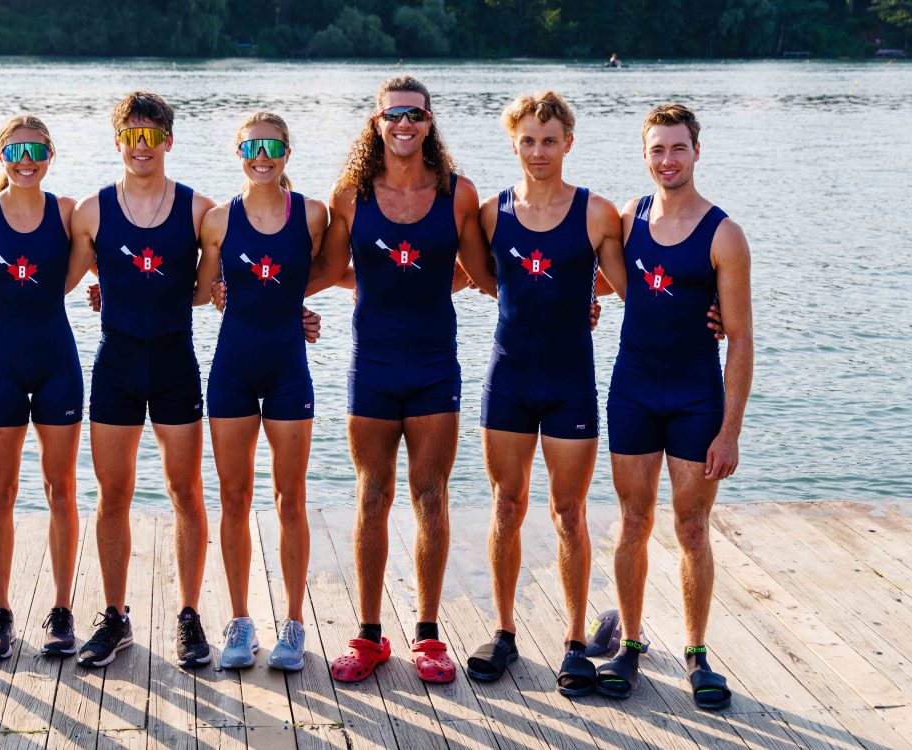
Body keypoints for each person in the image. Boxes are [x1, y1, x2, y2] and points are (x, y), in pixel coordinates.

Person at [305, 76, 494, 685]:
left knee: (430, 496)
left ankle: (429, 634)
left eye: (414, 114)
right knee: (371, 496)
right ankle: (367, 636)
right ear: (377, 122)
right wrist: (252, 294)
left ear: (430, 121)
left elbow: (486, 275)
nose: (403, 124)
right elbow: (330, 269)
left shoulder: (458, 194)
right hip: (374, 368)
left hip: (436, 365)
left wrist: (576, 300)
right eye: (393, 115)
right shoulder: (351, 195)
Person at [595, 103, 753, 711]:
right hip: (632, 388)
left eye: (678, 148)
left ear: (696, 152)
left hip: (694, 396)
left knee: (691, 527)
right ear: (644, 154)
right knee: (633, 521)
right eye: (657, 149)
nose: (667, 159)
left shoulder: (723, 234)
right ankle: (630, 643)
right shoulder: (627, 218)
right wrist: (587, 300)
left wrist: (730, 431)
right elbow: (608, 279)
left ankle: (696, 654)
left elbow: (739, 337)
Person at [463, 92, 620, 691]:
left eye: (549, 140)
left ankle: (576, 641)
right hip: (507, 380)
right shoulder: (488, 212)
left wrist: (707, 311)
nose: (538, 151)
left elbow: (631, 284)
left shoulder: (596, 213)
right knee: (506, 505)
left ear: (568, 143)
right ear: (514, 144)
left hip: (569, 384)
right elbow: (478, 278)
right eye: (527, 140)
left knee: (568, 512)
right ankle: (504, 633)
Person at [70, 91, 221, 669]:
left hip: (175, 365)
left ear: (168, 141)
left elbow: (210, 291)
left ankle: (188, 617)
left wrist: (296, 312)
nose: (141, 146)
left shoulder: (198, 211)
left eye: (151, 136)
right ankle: (115, 617)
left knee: (186, 493)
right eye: (130, 136)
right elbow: (49, 283)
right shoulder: (91, 211)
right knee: (113, 496)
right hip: (117, 367)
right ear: (117, 142)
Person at [0, 116, 82, 659]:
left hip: (56, 361)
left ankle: (62, 610)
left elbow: (118, 261)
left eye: (37, 150)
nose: (26, 159)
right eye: (15, 150)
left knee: (60, 491)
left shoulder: (70, 213)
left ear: (51, 154)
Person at [201, 113, 327, 671]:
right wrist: (113, 292)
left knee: (290, 497)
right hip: (232, 369)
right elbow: (205, 290)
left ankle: (294, 625)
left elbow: (338, 269)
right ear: (238, 152)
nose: (262, 154)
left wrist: (295, 303)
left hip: (287, 371)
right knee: (234, 498)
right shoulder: (216, 220)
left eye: (273, 145)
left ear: (287, 152)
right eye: (252, 145)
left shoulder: (314, 215)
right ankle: (240, 620)